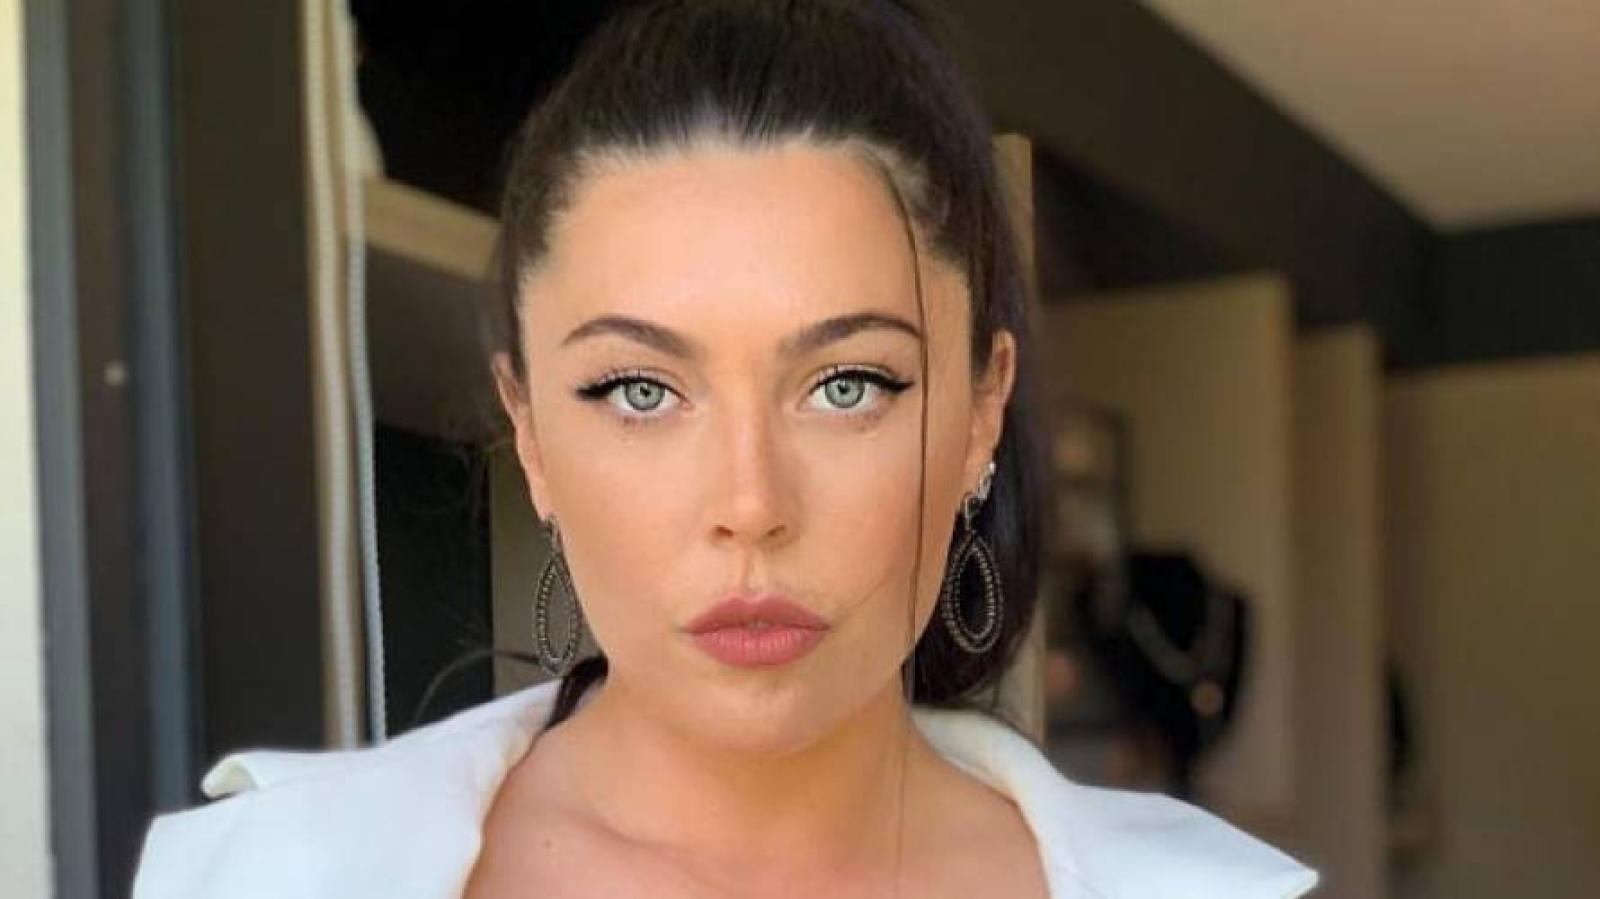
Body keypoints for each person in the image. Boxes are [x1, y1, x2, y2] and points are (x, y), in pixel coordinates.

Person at [132, 1, 1319, 896]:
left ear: (979, 414)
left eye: (845, 385)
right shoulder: (270, 873)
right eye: (641, 390)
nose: (749, 501)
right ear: (531, 435)